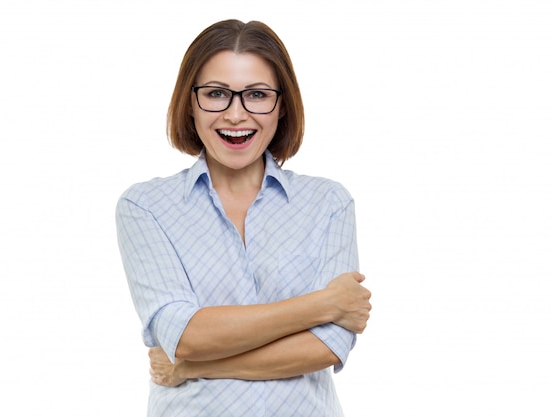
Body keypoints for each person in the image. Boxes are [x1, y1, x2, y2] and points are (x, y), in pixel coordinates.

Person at [116, 19, 372, 417]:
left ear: (282, 104)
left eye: (256, 94)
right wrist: (325, 303)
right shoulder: (146, 207)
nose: (236, 115)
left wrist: (193, 368)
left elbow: (327, 347)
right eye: (217, 93)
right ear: (190, 102)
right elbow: (184, 336)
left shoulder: (328, 203)